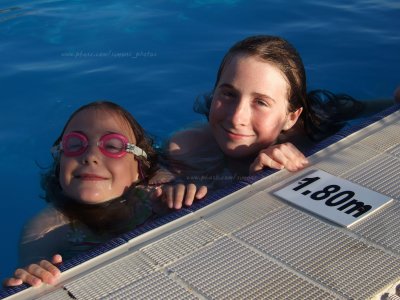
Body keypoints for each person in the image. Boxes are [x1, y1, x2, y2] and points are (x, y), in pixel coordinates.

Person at [161, 35, 366, 209]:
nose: (236, 117)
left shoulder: (315, 129)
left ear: (291, 117)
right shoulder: (184, 149)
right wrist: (169, 196)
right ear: (214, 93)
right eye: (229, 94)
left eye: (260, 102)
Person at [3, 101, 171, 287]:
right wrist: (32, 274)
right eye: (75, 144)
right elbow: (31, 266)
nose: (90, 155)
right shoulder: (45, 228)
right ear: (60, 164)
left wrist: (184, 195)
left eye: (113, 146)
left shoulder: (160, 187)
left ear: (139, 167)